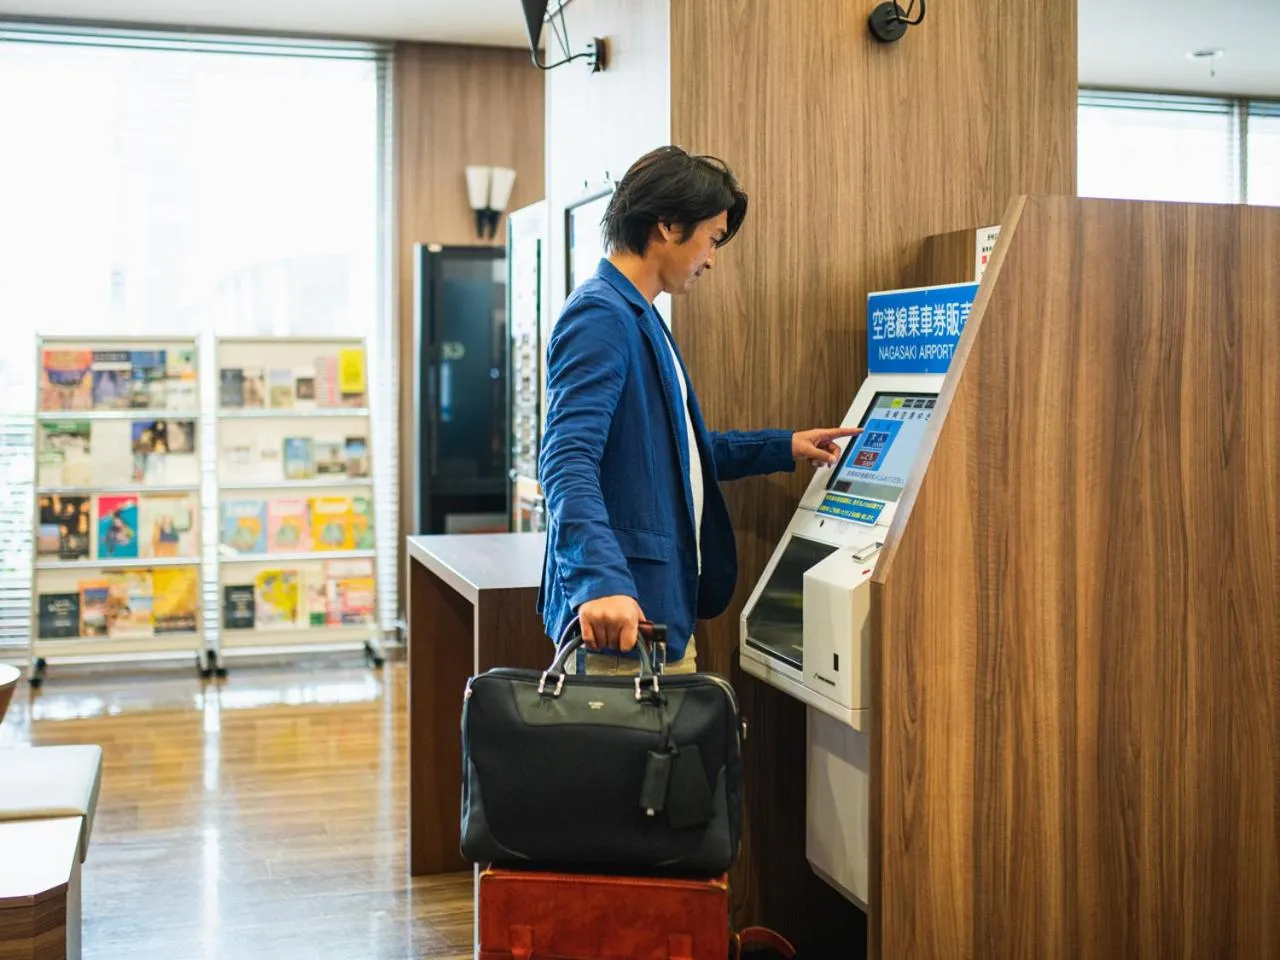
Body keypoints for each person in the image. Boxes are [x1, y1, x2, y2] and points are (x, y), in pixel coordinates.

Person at [537, 146, 858, 675]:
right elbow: (565, 461)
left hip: (658, 607)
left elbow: (673, 452)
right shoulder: (601, 315)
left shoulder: (639, 314)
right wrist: (601, 582)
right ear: (668, 225)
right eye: (711, 238)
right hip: (623, 621)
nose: (711, 259)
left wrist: (782, 446)